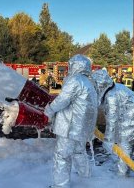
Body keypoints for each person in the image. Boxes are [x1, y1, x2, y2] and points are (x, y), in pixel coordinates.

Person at [44, 54, 98, 188]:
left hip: (70, 125)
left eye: (70, 65)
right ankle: (86, 177)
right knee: (79, 151)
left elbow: (63, 100)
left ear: (75, 66)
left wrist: (49, 110)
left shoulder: (75, 80)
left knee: (62, 155)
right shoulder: (89, 82)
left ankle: (61, 185)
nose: (68, 68)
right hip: (82, 126)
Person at [91, 69, 134, 176]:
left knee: (124, 147)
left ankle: (122, 174)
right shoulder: (117, 87)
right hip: (130, 119)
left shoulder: (111, 97)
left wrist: (108, 140)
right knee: (123, 146)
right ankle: (122, 169)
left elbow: (112, 121)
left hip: (129, 122)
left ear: (100, 85)